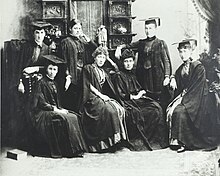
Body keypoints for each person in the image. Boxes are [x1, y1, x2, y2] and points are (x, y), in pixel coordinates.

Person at [29, 55, 88, 158]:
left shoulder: (55, 83)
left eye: (55, 69)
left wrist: (60, 108)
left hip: (53, 109)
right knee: (65, 118)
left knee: (74, 116)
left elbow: (57, 101)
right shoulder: (40, 83)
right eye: (50, 69)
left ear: (57, 71)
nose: (52, 72)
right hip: (41, 112)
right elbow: (41, 103)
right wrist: (56, 110)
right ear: (46, 69)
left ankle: (77, 149)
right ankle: (70, 151)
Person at [114, 49, 169, 150]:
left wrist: (142, 92)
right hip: (127, 102)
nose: (128, 64)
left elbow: (138, 88)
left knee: (156, 107)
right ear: (122, 62)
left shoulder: (132, 74)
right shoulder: (119, 75)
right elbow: (120, 94)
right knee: (137, 113)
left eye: (130, 61)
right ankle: (140, 141)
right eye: (126, 61)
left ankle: (156, 140)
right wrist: (134, 96)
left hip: (138, 99)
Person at [166, 39, 215, 153]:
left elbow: (197, 89)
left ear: (191, 52)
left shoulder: (198, 67)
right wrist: (172, 79)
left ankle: (184, 142)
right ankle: (177, 140)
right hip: (186, 97)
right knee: (170, 109)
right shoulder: (182, 67)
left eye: (185, 51)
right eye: (181, 52)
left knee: (180, 111)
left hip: (198, 99)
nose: (183, 54)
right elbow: (176, 75)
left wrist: (184, 100)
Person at [115, 17, 172, 110]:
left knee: (159, 102)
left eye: (150, 28)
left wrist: (166, 76)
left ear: (155, 29)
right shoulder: (141, 43)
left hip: (157, 77)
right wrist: (119, 47)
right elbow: (129, 45)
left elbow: (166, 61)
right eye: (146, 28)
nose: (148, 31)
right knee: (146, 101)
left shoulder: (161, 43)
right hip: (144, 78)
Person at [81, 47, 127, 153]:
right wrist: (101, 96)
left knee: (117, 108)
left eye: (103, 58)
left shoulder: (103, 71)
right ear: (94, 58)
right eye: (99, 57)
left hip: (100, 96)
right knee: (109, 111)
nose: (101, 60)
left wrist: (109, 58)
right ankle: (103, 144)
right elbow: (88, 85)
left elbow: (116, 69)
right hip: (90, 97)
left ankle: (114, 141)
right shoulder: (88, 68)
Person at [60, 19, 97, 111]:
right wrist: (67, 75)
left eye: (79, 28)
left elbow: (96, 50)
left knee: (81, 99)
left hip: (82, 74)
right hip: (72, 74)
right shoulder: (66, 42)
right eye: (75, 28)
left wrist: (88, 40)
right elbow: (63, 60)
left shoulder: (82, 42)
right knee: (71, 100)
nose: (78, 30)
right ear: (70, 29)